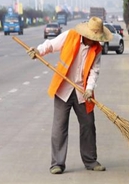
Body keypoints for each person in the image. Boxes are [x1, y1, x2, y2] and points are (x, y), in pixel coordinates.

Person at [27, 17, 113, 174]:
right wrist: (38, 51)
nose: (94, 40)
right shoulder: (71, 35)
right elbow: (51, 45)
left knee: (88, 125)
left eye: (97, 38)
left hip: (82, 92)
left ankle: (91, 161)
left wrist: (89, 89)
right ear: (86, 33)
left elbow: (94, 71)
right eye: (93, 37)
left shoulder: (97, 49)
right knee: (59, 127)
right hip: (63, 88)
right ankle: (57, 163)